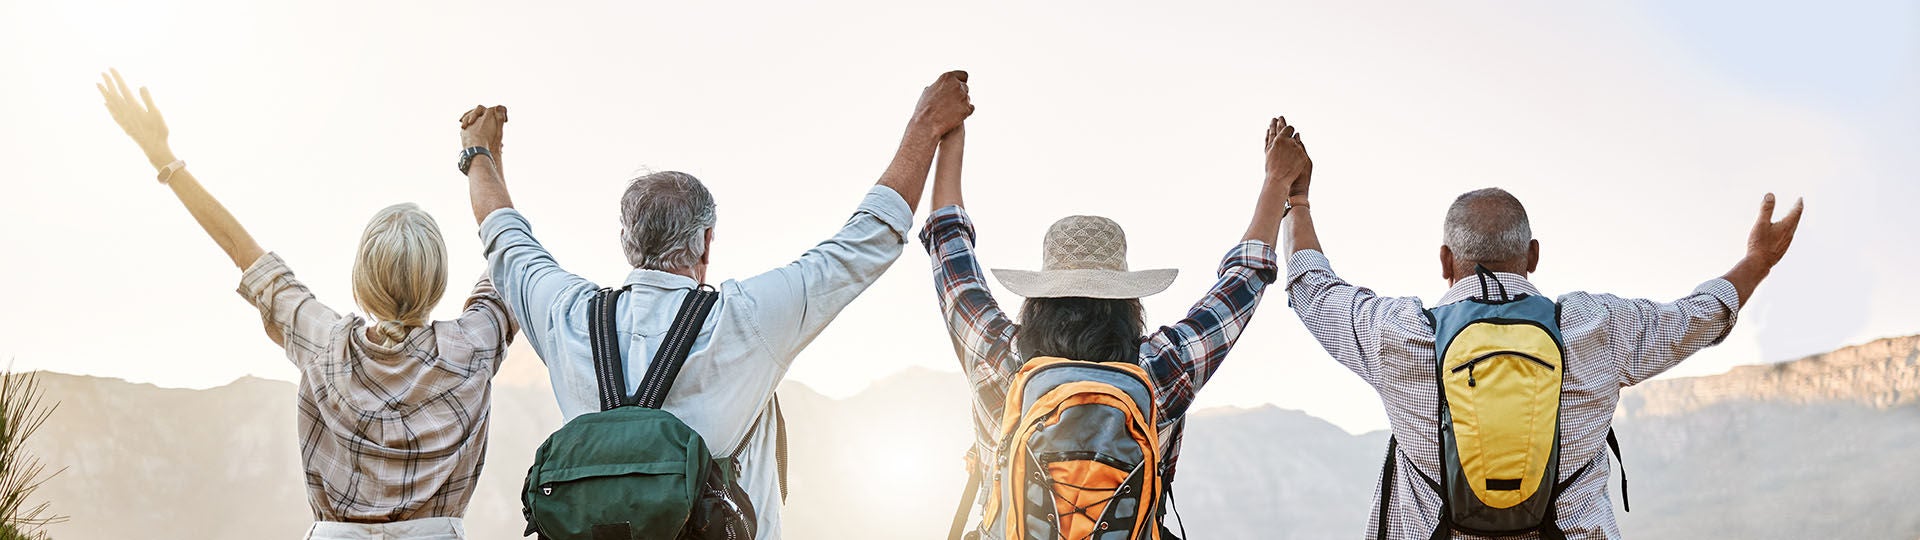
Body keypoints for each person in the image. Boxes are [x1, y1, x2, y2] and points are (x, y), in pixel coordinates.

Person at [462, 71, 973, 539]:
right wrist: (926, 126)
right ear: (707, 244)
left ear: (626, 243)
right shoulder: (745, 319)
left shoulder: (569, 317)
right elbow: (868, 239)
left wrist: (480, 156)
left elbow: (505, 241)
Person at [1268, 116, 1805, 539]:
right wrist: (1757, 261)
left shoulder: (1401, 334)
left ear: (1444, 261)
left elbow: (1314, 289)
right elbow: (1697, 315)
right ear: (1533, 255)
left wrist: (1296, 201)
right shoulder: (1600, 327)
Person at [98, 69, 515, 540]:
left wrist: (163, 157)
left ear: (362, 278)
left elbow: (241, 248)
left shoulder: (326, 344)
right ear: (438, 279)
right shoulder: (472, 347)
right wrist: (485, 156)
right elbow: (510, 252)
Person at [922, 116, 1296, 537]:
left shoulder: (999, 356)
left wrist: (948, 136)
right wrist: (1277, 183)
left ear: (1039, 298)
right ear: (1128, 300)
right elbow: (1241, 284)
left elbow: (949, 252)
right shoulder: (1159, 367)